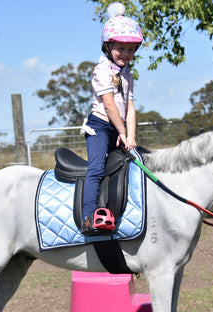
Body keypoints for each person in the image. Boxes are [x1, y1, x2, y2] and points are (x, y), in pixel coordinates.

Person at [80, 2, 143, 236]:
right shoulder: (102, 71)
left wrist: (131, 136)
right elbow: (109, 105)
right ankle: (89, 217)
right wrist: (122, 132)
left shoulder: (127, 75)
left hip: (119, 129)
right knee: (96, 168)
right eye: (120, 48)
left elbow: (131, 107)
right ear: (107, 46)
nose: (125, 54)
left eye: (130, 50)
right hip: (100, 127)